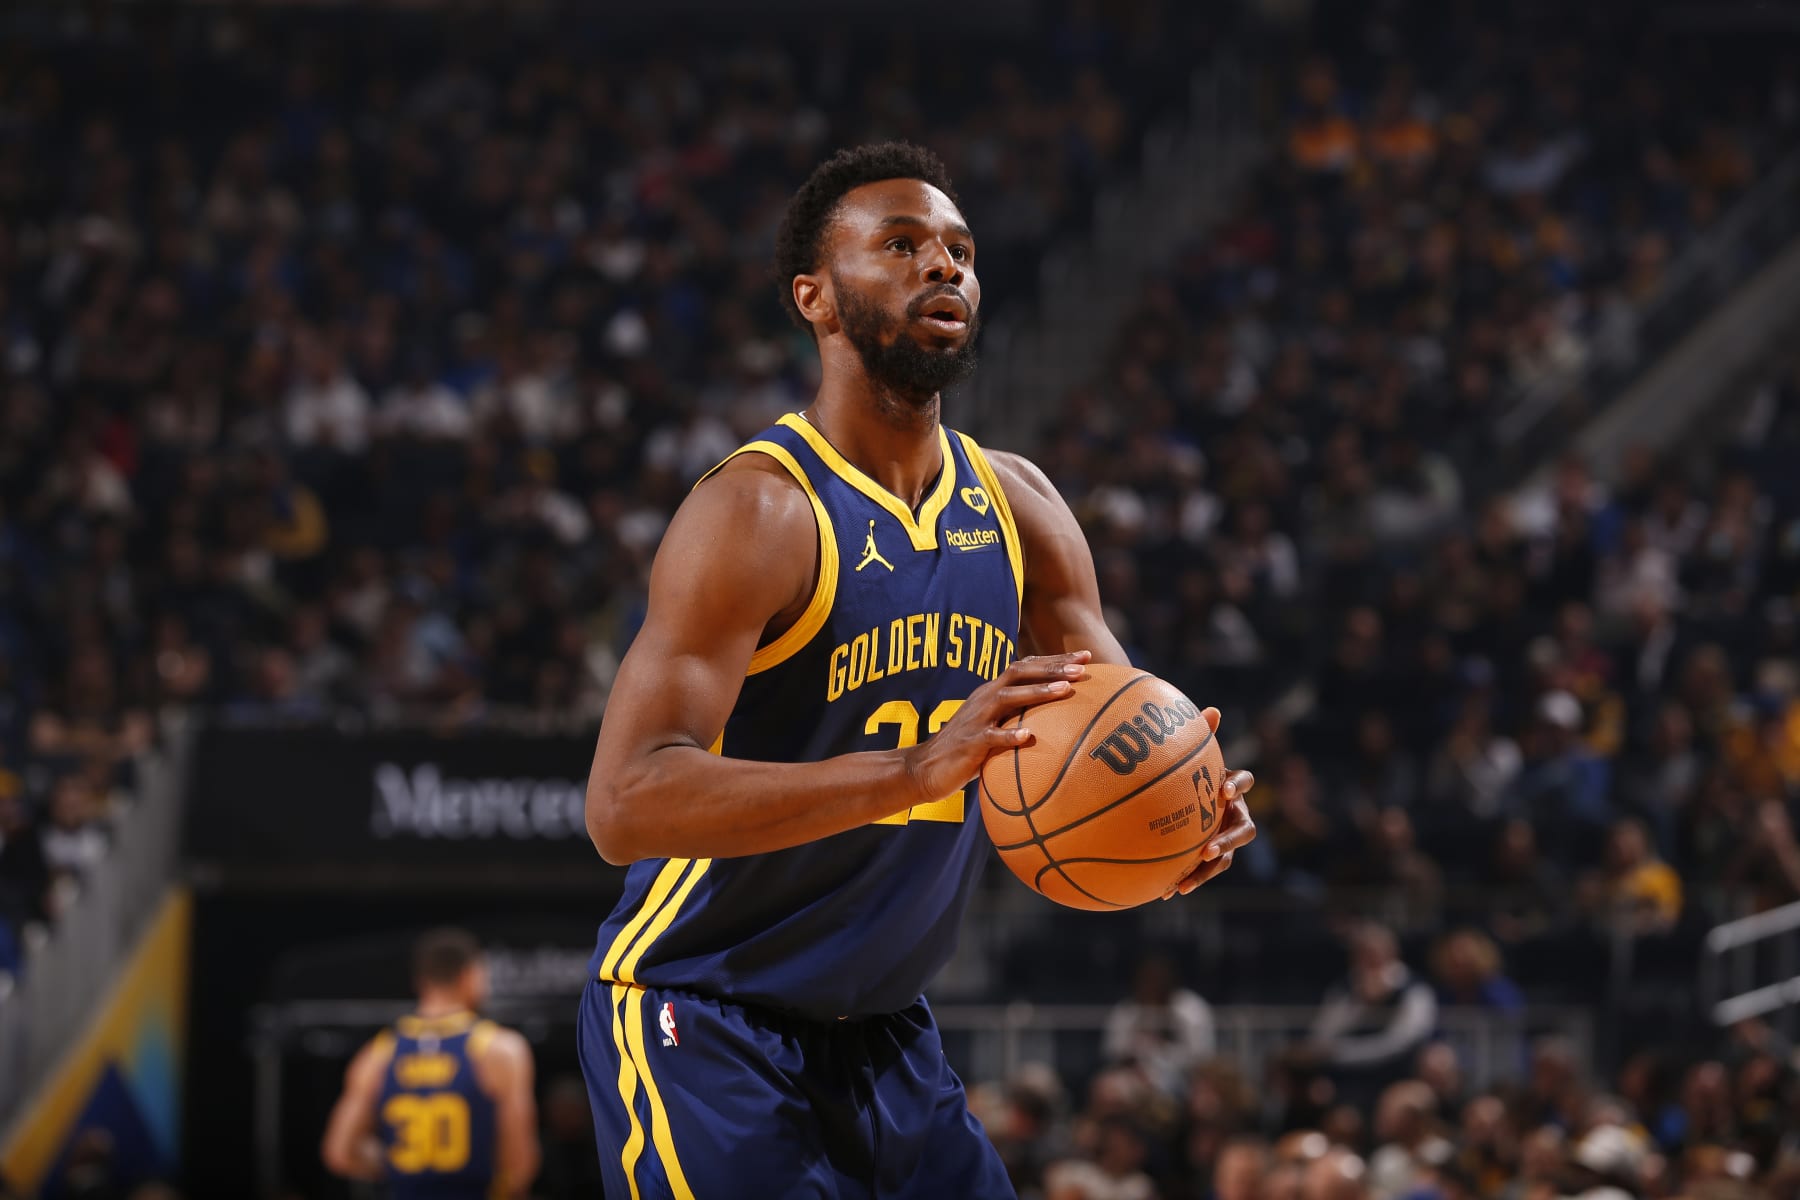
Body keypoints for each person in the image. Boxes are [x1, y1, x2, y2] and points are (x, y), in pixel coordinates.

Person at [577, 142, 1258, 1198]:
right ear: (815, 297)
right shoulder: (757, 512)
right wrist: (910, 772)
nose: (943, 267)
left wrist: (1184, 813)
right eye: (900, 246)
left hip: (889, 1033)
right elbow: (624, 802)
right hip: (702, 1012)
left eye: (959, 251)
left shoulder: (1021, 506)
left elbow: (1120, 738)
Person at [321, 928, 539, 1199]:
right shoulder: (500, 1049)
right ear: (470, 975)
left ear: (421, 981)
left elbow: (340, 1153)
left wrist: (395, 1164)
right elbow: (520, 1164)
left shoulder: (379, 1053)